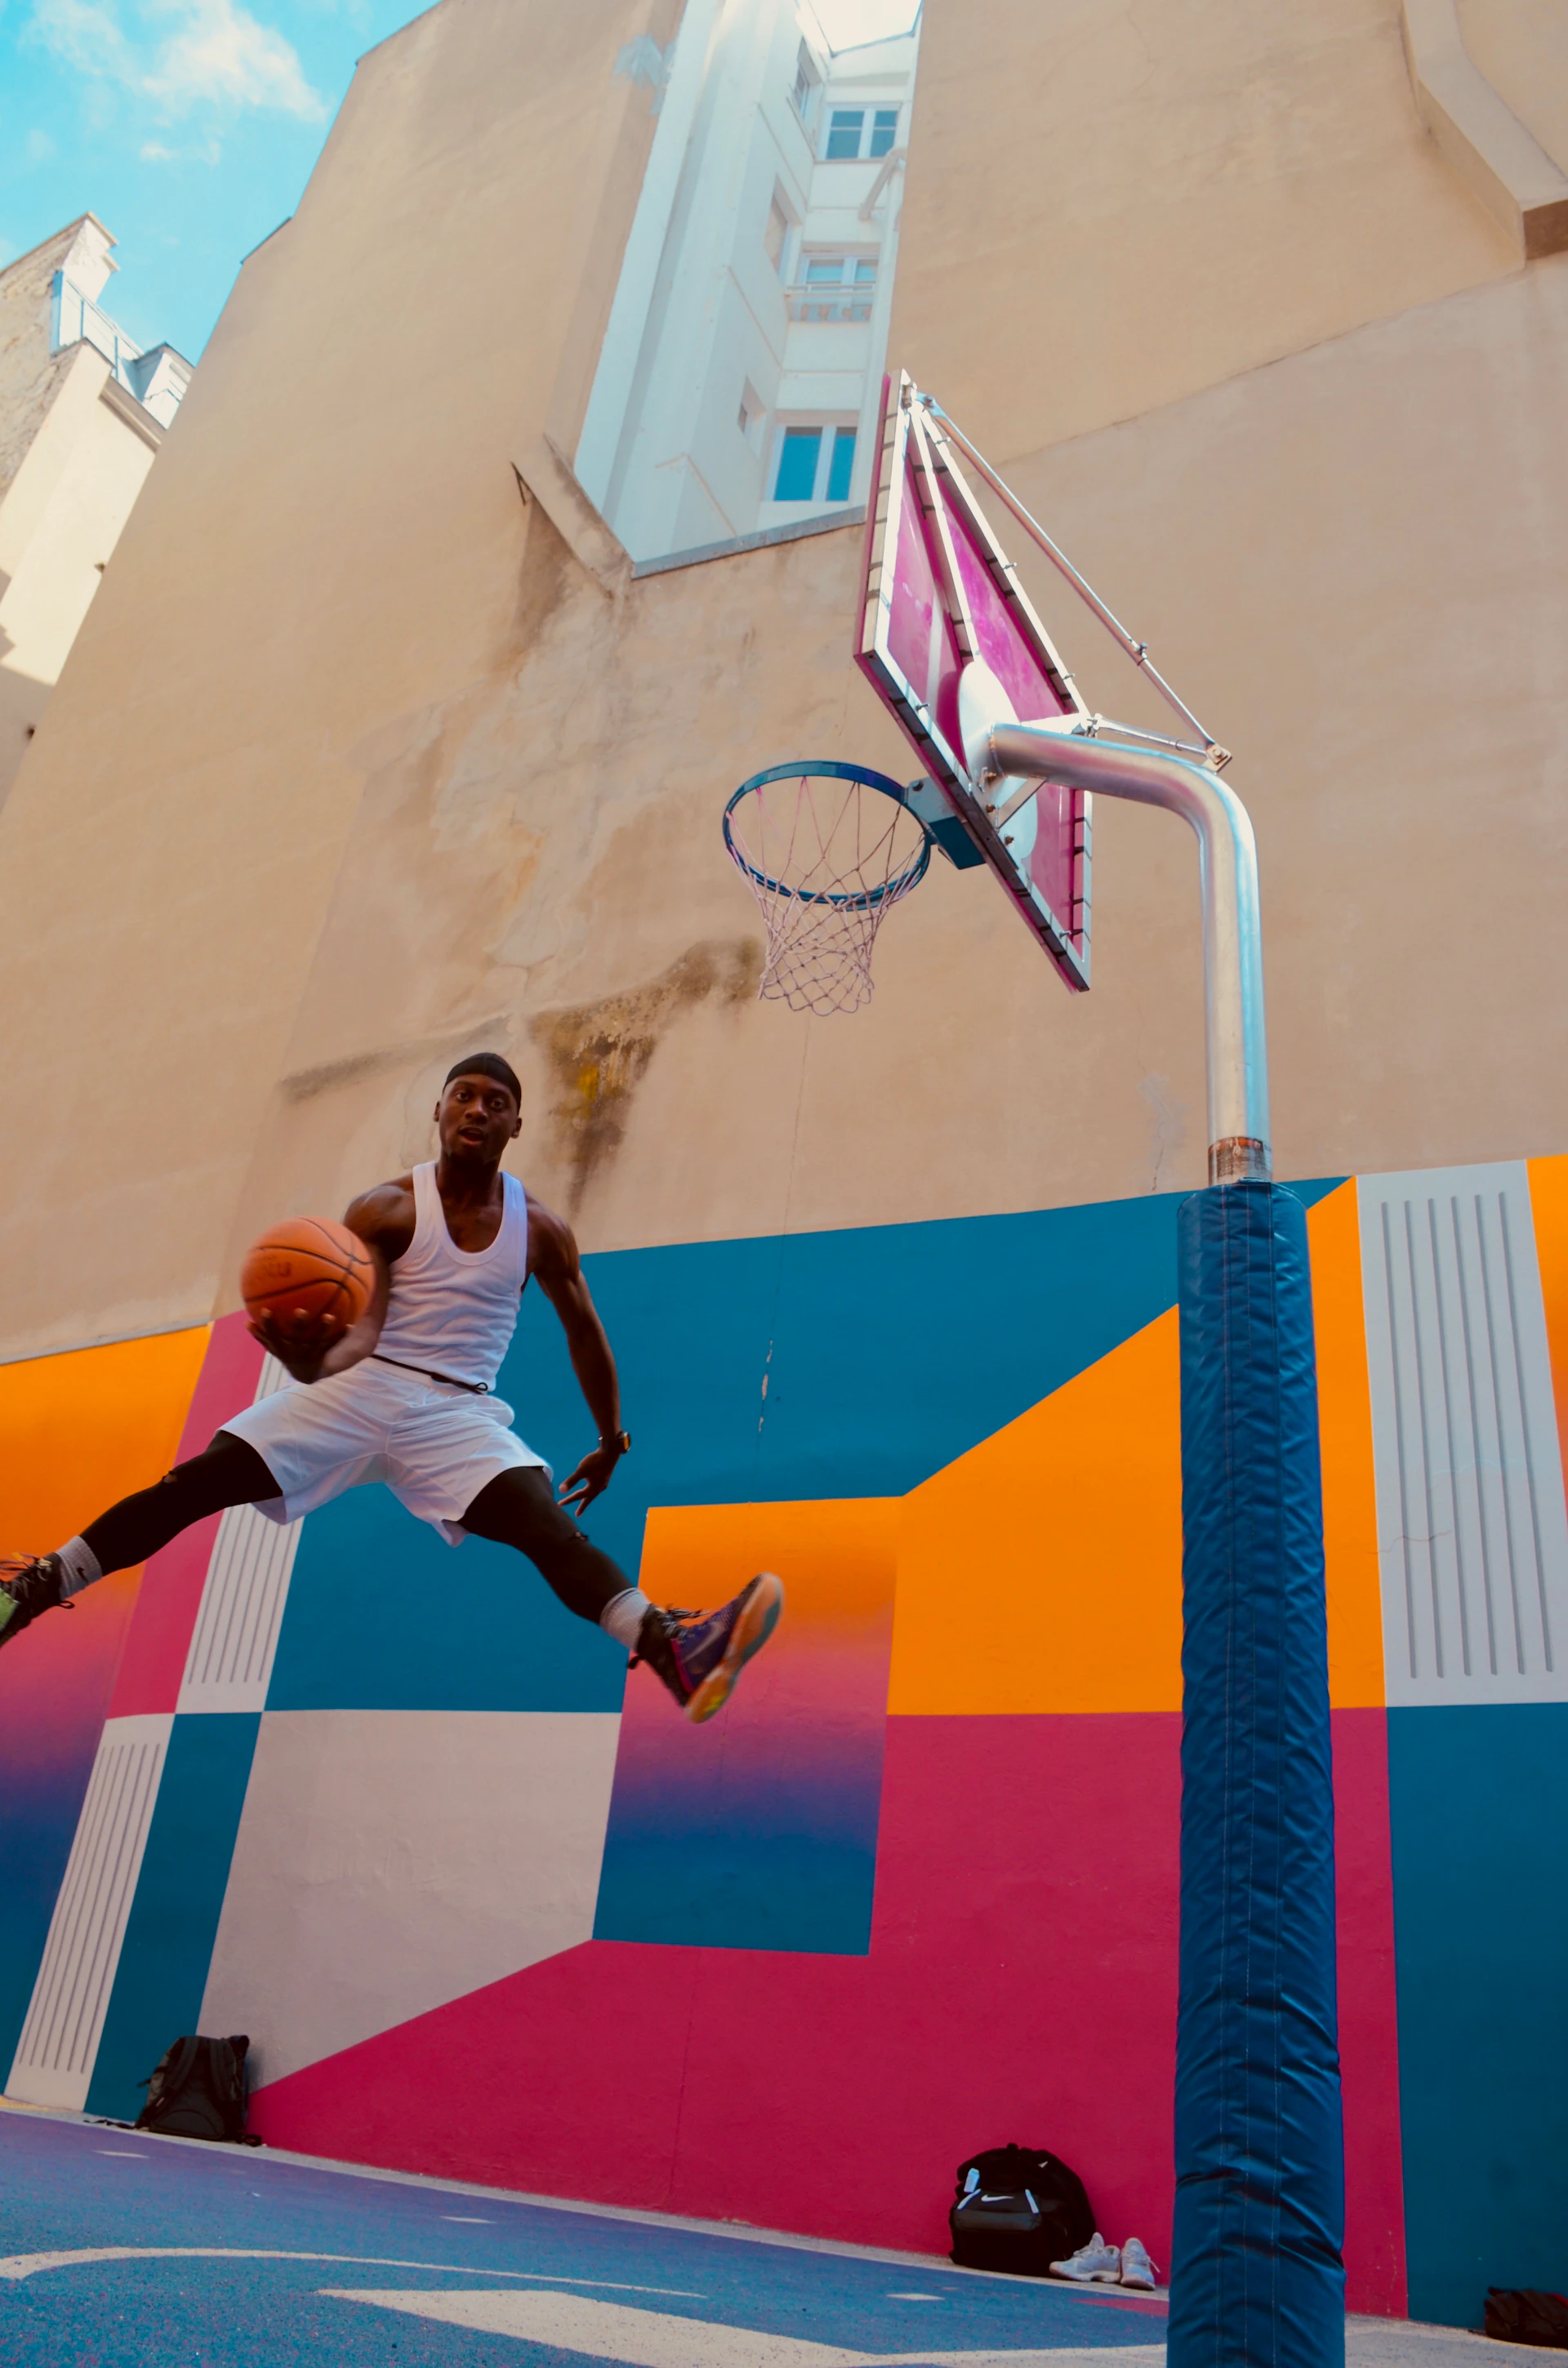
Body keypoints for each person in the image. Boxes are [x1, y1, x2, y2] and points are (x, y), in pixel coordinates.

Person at [0, 1055, 782, 1720]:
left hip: (459, 1408)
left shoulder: (540, 1228)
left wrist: (612, 1439)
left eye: (497, 1102)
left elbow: (585, 1332)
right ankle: (37, 1585)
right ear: (440, 1110)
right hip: (363, 1384)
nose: (478, 1108)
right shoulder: (386, 1208)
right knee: (195, 1483)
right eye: (465, 1095)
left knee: (548, 1529)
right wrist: (310, 1364)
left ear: (517, 1125)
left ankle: (673, 1649)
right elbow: (363, 1332)